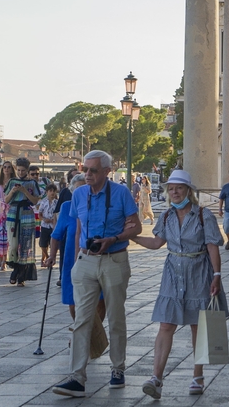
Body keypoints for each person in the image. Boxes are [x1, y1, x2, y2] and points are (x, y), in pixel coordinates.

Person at [131, 170, 228, 399]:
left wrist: (217, 275)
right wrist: (131, 238)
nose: (174, 192)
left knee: (199, 325)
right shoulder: (166, 217)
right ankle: (156, 378)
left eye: (179, 188)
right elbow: (156, 242)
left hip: (199, 272)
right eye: (171, 189)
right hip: (173, 275)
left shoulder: (204, 216)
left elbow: (213, 246)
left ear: (189, 191)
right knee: (166, 325)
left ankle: (198, 375)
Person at [52, 150, 141, 398]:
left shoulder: (121, 193)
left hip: (114, 258)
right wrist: (77, 257)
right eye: (85, 169)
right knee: (82, 319)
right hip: (86, 260)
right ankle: (77, 378)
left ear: (106, 172)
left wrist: (114, 238)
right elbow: (79, 227)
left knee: (115, 316)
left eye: (92, 170)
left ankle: (118, 369)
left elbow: (137, 227)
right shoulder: (78, 194)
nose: (87, 174)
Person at [45, 174, 87, 310]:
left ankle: (89, 330)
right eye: (77, 189)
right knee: (72, 300)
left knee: (96, 302)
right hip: (71, 260)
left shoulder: (96, 205)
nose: (81, 192)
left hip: (92, 258)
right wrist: (52, 256)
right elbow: (56, 235)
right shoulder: (66, 207)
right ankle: (78, 328)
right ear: (72, 191)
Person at [5, 158, 42, 287]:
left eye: (23, 170)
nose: (20, 173)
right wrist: (12, 191)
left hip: (27, 214)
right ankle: (15, 270)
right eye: (19, 170)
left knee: (25, 247)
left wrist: (25, 191)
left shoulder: (32, 182)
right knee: (13, 245)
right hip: (13, 214)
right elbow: (6, 199)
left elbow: (36, 201)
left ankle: (20, 276)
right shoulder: (11, 181)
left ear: (27, 170)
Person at [38, 184, 59, 268]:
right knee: (43, 244)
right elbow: (39, 214)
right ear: (47, 192)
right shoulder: (43, 202)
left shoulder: (57, 203)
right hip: (45, 225)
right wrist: (43, 219)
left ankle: (50, 258)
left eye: (54, 191)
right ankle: (46, 256)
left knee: (53, 244)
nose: (52, 193)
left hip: (53, 226)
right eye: (50, 191)